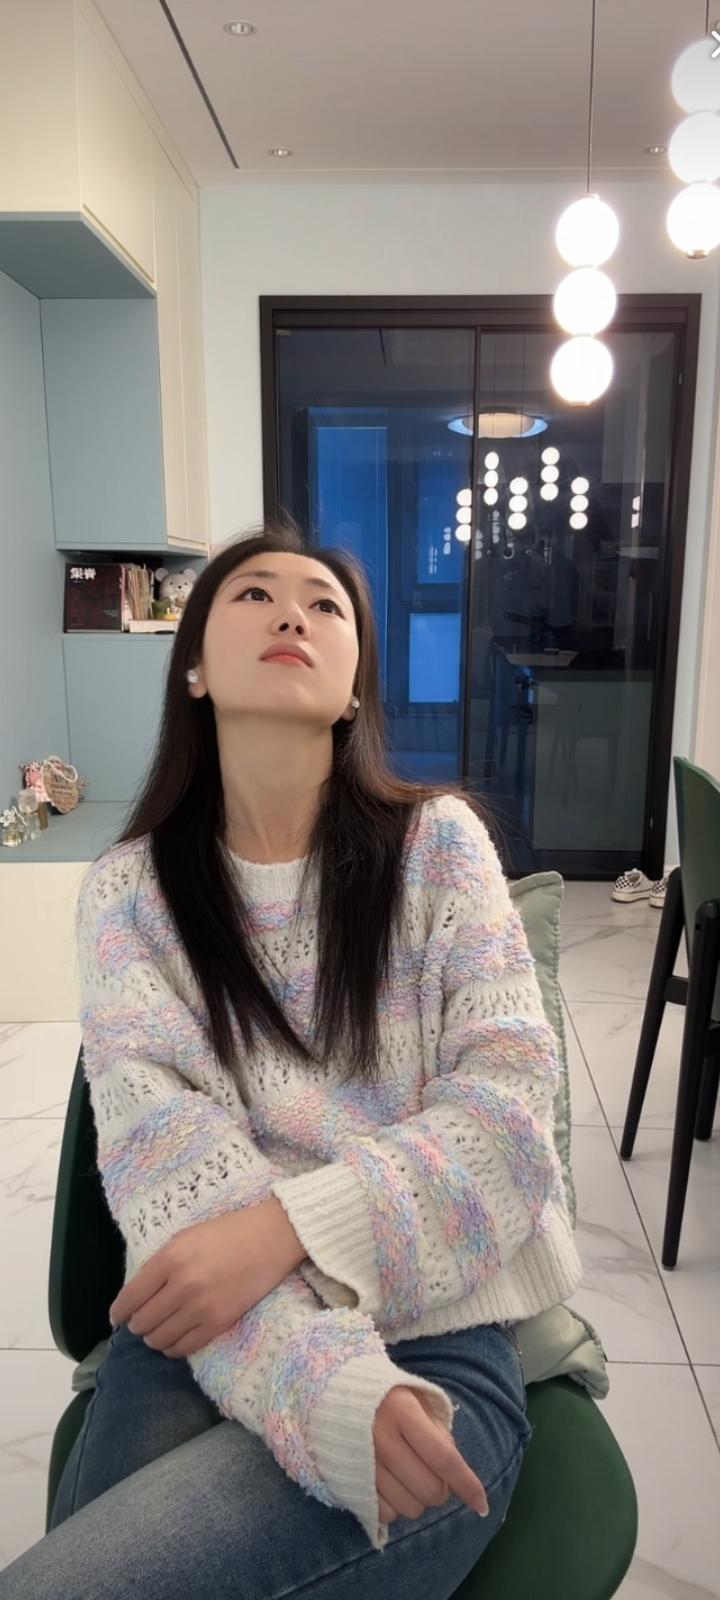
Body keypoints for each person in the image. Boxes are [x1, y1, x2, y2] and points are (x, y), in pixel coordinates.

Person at [0, 524, 582, 1600]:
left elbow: (507, 1126)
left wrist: (283, 1232)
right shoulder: (128, 894)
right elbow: (168, 1167)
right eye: (253, 595)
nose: (291, 615)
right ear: (193, 666)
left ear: (355, 685)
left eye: (324, 605)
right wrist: (318, 1384)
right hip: (209, 1331)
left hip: (434, 1331)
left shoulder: (440, 846)